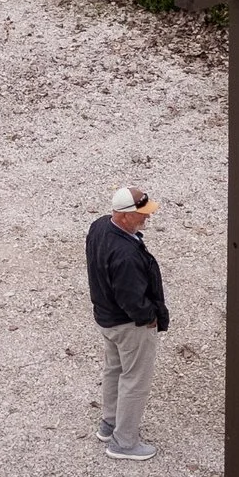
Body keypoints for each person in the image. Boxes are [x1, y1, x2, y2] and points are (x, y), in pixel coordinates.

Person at [85, 186, 168, 462]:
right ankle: (125, 442)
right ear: (123, 216)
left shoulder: (99, 227)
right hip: (129, 326)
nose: (147, 218)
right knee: (135, 380)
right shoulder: (126, 255)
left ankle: (109, 424)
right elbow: (132, 298)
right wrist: (149, 317)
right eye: (141, 214)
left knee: (114, 369)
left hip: (106, 319)